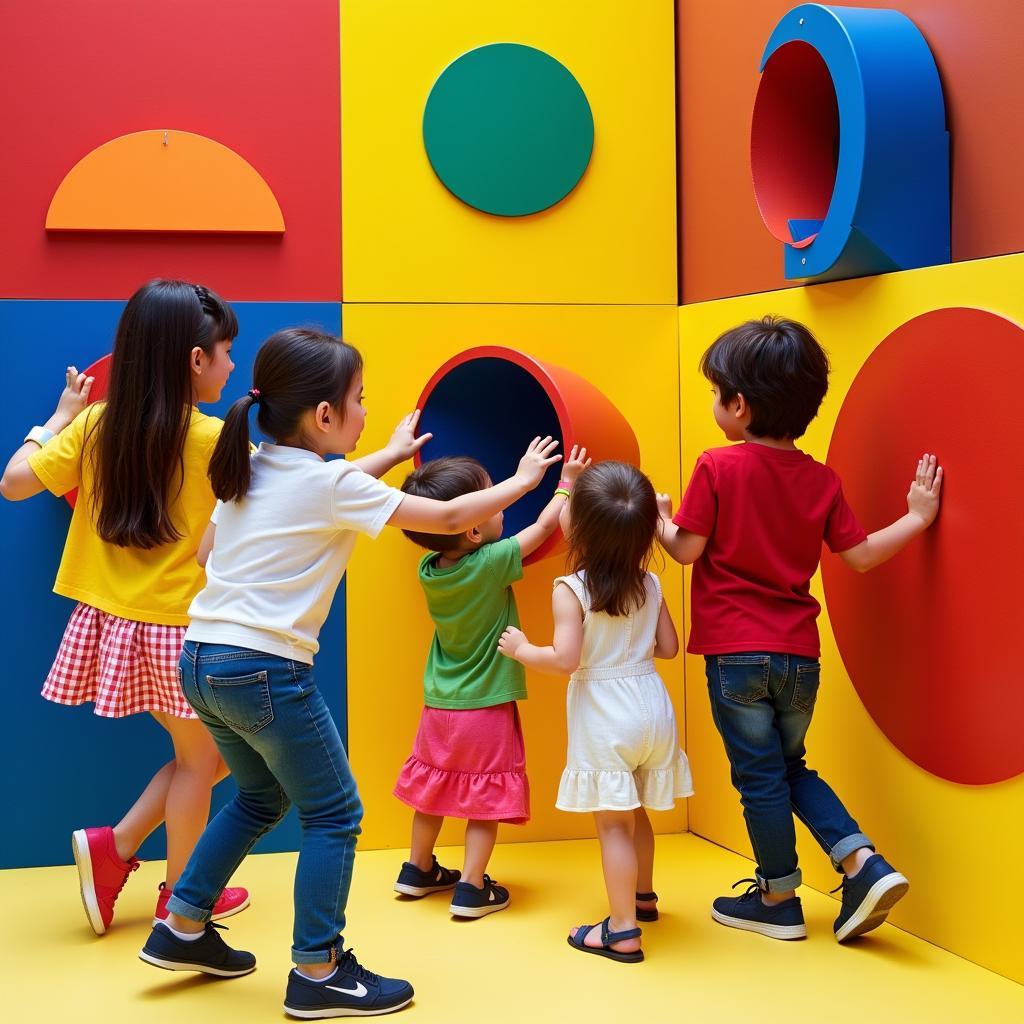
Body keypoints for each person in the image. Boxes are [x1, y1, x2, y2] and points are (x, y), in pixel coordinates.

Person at [138, 327, 562, 1019]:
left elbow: (209, 554)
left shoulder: (248, 468)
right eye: (359, 400)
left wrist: (390, 454)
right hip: (266, 668)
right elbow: (450, 514)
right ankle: (318, 969)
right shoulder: (328, 483)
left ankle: (182, 923)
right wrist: (521, 481)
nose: (367, 410)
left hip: (202, 660)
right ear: (325, 417)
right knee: (335, 814)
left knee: (258, 799)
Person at [658, 316, 942, 942]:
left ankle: (779, 898)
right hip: (798, 659)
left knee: (759, 776)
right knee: (791, 769)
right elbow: (861, 555)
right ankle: (862, 863)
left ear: (738, 405)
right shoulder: (821, 478)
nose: (713, 404)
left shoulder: (716, 467)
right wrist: (917, 518)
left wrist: (658, 519)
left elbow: (685, 549)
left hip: (735, 654)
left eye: (716, 393)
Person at [0, 279, 249, 933]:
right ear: (195, 360)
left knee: (212, 757)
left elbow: (14, 483)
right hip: (180, 629)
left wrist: (54, 420)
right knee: (205, 760)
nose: (231, 365)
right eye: (225, 351)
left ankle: (121, 850)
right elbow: (294, 495)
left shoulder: (96, 423)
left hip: (116, 623)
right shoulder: (214, 438)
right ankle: (178, 898)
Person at [498, 460, 692, 963]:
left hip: (606, 717)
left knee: (613, 825)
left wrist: (522, 650)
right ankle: (643, 896)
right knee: (638, 810)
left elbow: (564, 660)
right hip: (652, 708)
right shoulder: (650, 583)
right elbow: (670, 647)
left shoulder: (572, 589)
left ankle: (623, 929)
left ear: (578, 529)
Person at [392, 446, 590, 918]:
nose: (500, 503)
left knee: (433, 791)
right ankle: (471, 886)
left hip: (439, 704)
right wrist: (566, 483)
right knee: (483, 800)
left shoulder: (429, 569)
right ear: (475, 528)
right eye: (493, 500)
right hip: (485, 704)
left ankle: (417, 869)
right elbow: (543, 529)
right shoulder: (492, 561)